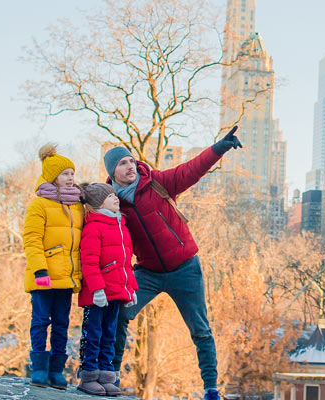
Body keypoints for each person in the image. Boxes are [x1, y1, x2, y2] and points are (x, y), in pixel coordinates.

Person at [103, 128, 242, 400]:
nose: (130, 166)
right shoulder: (111, 202)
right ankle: (111, 376)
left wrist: (219, 148)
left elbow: (191, 170)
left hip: (185, 270)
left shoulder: (156, 182)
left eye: (131, 160)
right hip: (147, 274)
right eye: (122, 163)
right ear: (113, 171)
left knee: (200, 329)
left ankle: (211, 388)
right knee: (119, 314)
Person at [21, 144, 83, 390]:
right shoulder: (39, 205)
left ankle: (57, 370)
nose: (71, 178)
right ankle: (39, 368)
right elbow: (32, 239)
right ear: (53, 177)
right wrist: (40, 270)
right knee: (40, 320)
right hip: (44, 274)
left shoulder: (77, 205)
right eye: (66, 174)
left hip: (67, 276)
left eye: (72, 174)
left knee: (61, 323)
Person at [76, 183, 139, 397]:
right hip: (98, 295)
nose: (115, 198)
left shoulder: (122, 226)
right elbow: (89, 261)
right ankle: (89, 376)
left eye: (115, 195)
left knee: (109, 335)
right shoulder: (93, 226)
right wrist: (96, 289)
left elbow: (126, 263)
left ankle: (106, 376)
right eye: (110, 196)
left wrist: (131, 289)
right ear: (97, 202)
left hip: (116, 292)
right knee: (93, 334)